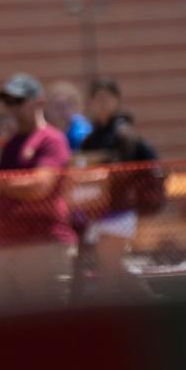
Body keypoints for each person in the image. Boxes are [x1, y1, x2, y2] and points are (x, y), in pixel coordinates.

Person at [0, 73, 75, 310]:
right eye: (9, 102)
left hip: (44, 243)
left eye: (18, 101)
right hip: (7, 244)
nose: (12, 108)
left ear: (38, 102)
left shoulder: (51, 139)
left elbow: (39, 187)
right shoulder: (9, 142)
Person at [73, 77, 162, 300]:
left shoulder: (123, 133)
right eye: (98, 98)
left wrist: (99, 165)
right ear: (90, 102)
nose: (103, 103)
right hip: (97, 211)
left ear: (117, 101)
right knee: (111, 267)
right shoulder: (91, 138)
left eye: (108, 98)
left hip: (120, 210)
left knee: (107, 271)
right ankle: (154, 303)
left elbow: (125, 170)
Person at [45, 81, 92, 151]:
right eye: (57, 106)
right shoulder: (44, 130)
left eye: (65, 106)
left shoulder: (81, 131)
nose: (61, 111)